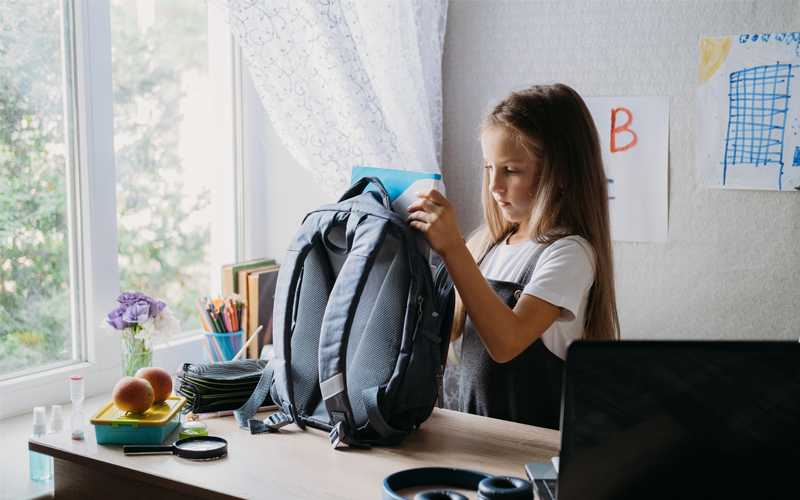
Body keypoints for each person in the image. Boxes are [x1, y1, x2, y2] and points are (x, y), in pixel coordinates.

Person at [406, 84, 619, 429]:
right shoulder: (486, 246)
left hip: (532, 453)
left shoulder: (570, 253)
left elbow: (506, 343)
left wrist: (452, 250)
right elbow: (451, 337)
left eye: (512, 170)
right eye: (489, 167)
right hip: (479, 440)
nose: (494, 185)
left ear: (560, 174)